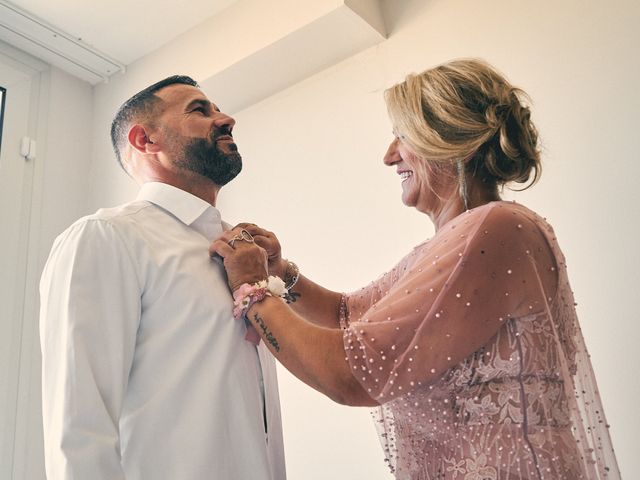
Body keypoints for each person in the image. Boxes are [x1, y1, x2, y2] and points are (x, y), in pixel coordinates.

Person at [210, 59, 620, 479]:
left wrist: (252, 286)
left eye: (401, 136)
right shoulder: (456, 239)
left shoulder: (493, 229)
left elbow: (349, 373)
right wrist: (281, 271)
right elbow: (347, 315)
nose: (389, 156)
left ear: (449, 138)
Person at [39, 76, 285, 480]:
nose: (226, 120)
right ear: (145, 140)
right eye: (199, 110)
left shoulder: (246, 254)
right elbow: (78, 422)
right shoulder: (108, 237)